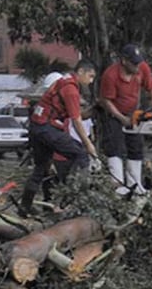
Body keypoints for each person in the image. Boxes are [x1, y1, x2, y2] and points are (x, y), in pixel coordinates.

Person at [20, 60, 98, 215]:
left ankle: (25, 206)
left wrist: (95, 110)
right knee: (81, 155)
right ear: (80, 72)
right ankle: (70, 201)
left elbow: (76, 114)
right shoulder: (71, 89)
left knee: (41, 168)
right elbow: (76, 120)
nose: (91, 81)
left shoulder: (63, 83)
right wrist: (88, 144)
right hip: (46, 128)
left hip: (37, 127)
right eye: (90, 76)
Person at [99, 43, 152, 194]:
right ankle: (118, 186)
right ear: (124, 61)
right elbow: (106, 101)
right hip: (114, 113)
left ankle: (135, 184)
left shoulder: (142, 68)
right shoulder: (111, 75)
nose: (137, 66)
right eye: (134, 63)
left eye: (138, 62)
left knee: (136, 147)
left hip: (133, 112)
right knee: (115, 148)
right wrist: (121, 118)